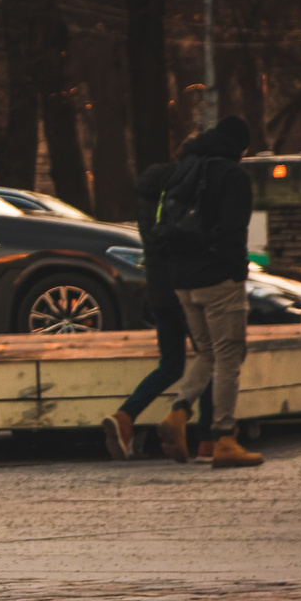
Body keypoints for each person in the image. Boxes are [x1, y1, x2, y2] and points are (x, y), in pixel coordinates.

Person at [153, 115, 261, 468]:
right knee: (230, 357)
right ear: (239, 146)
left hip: (182, 279)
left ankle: (179, 414)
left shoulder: (185, 167)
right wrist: (235, 273)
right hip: (217, 280)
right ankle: (225, 438)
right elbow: (234, 232)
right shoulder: (232, 176)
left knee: (207, 353)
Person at [101, 164, 212, 461]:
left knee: (171, 364)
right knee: (209, 357)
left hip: (158, 290)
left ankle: (125, 416)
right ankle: (207, 440)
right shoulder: (181, 193)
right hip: (184, 287)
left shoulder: (148, 195)